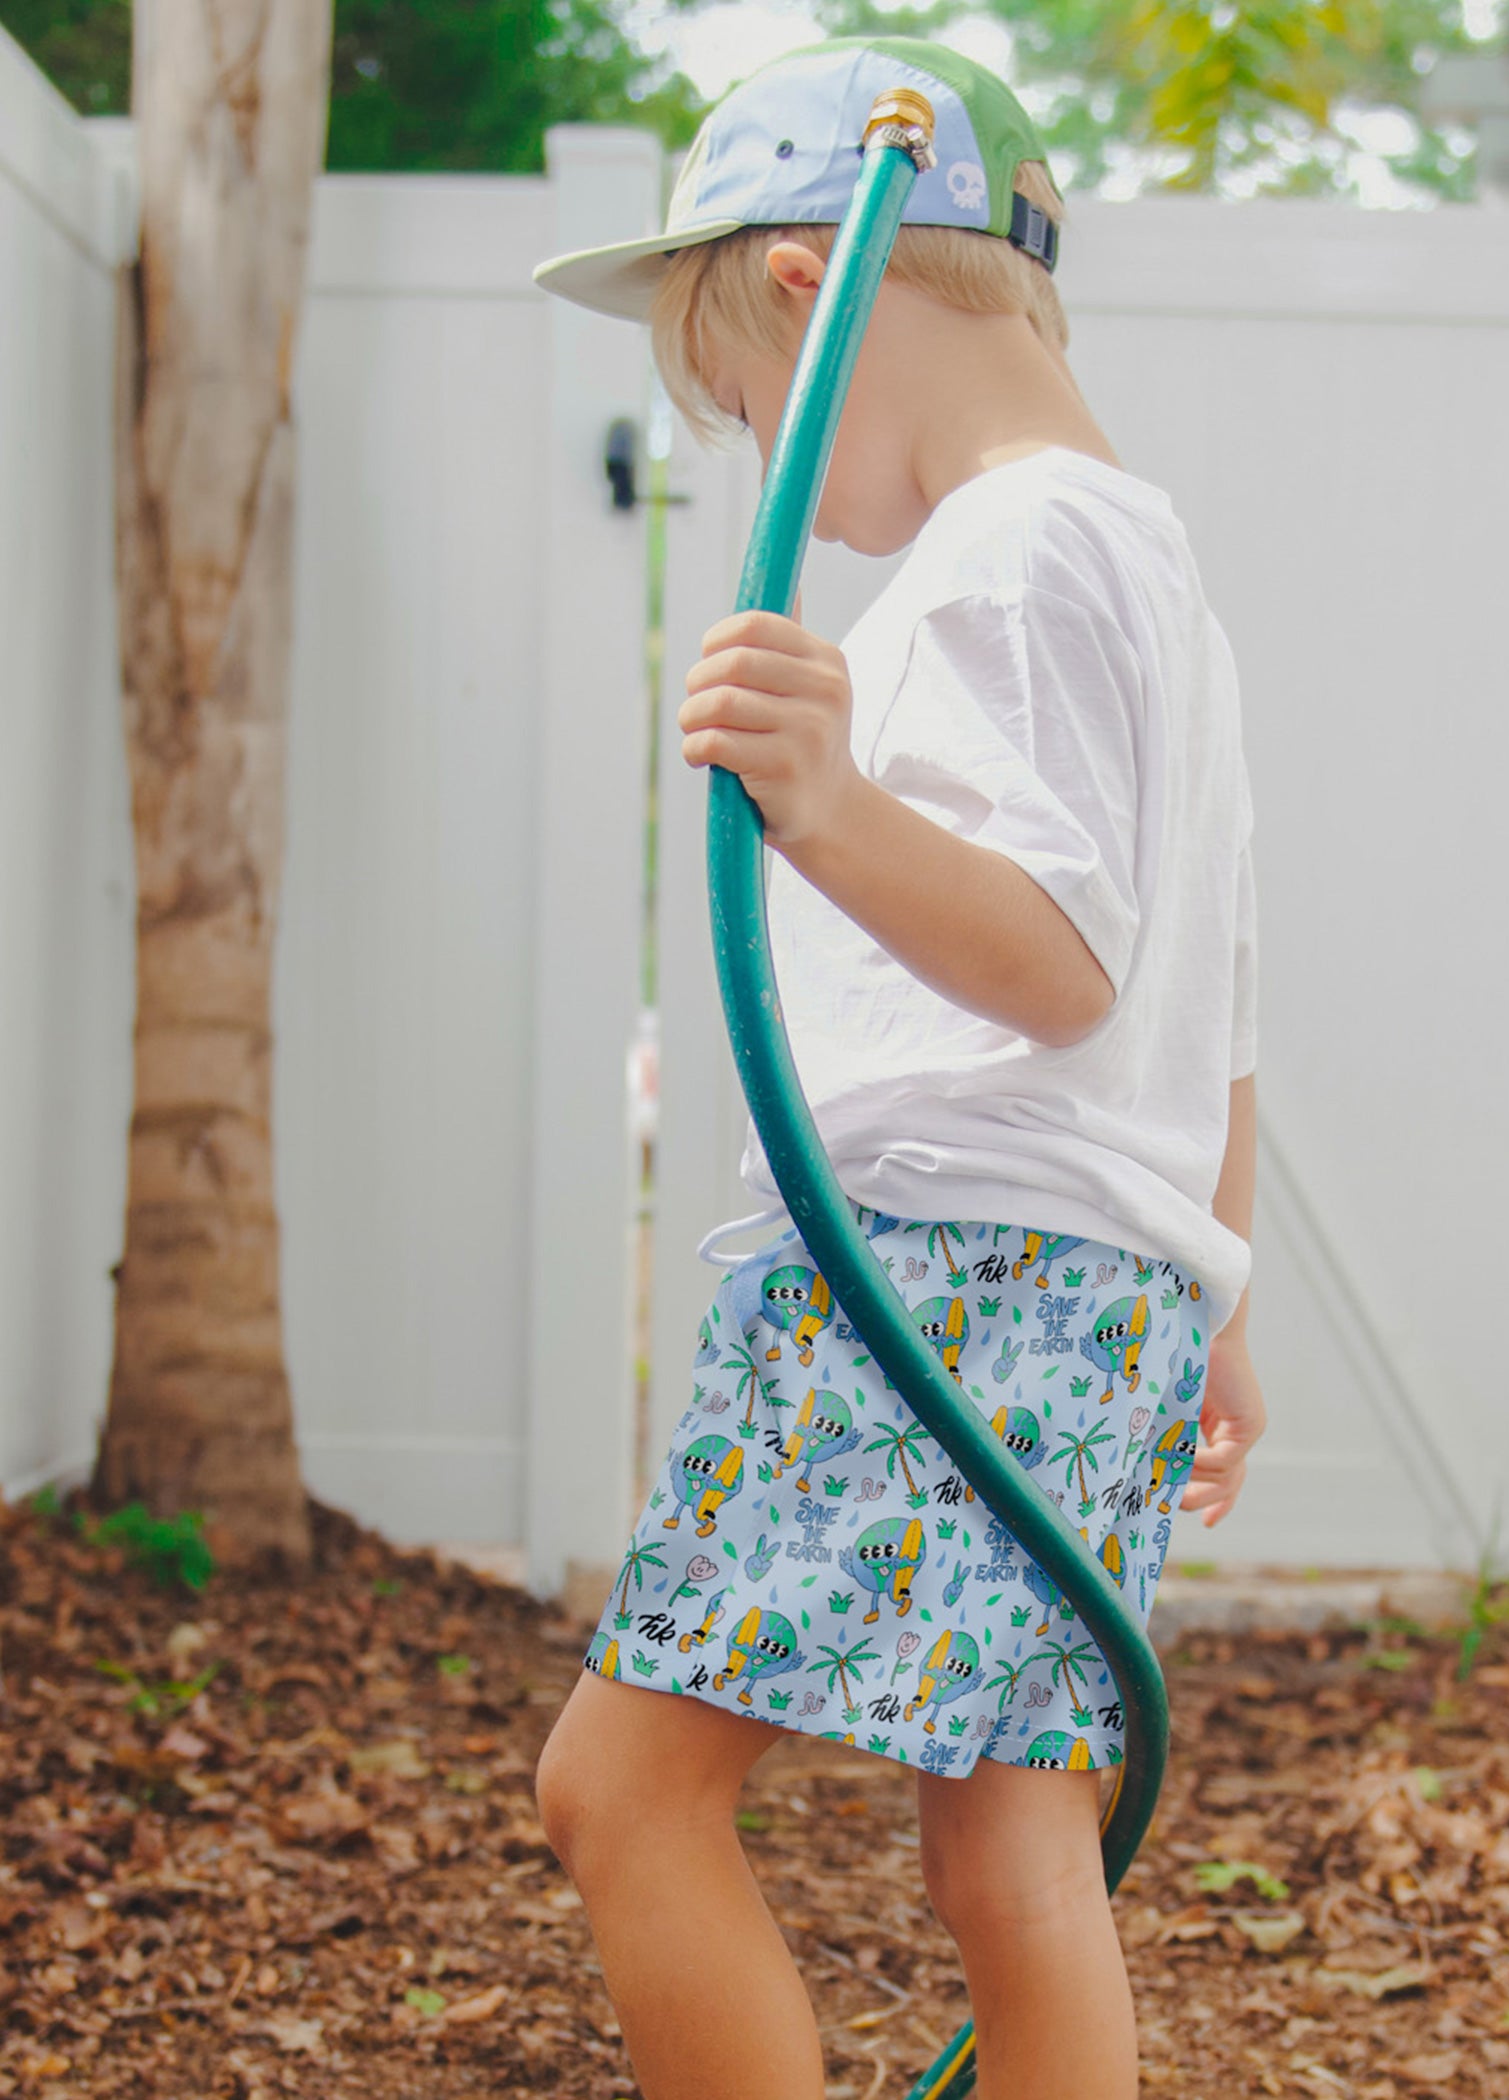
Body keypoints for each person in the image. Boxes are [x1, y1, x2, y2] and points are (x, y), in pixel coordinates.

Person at [530, 34, 1265, 2100]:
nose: (767, 464)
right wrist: (1218, 1300)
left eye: (750, 409)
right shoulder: (1153, 573)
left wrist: (830, 803)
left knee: (622, 1792)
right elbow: (1213, 1000)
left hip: (936, 1268)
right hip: (1089, 1288)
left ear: (813, 285)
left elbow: (1065, 969)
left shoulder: (1013, 550)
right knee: (1012, 1850)